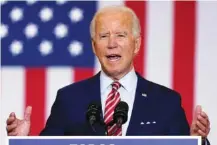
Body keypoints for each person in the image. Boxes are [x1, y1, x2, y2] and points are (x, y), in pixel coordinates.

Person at [6, 5, 210, 144]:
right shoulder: (69, 98)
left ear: (136, 44)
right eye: (104, 36)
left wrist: (195, 140)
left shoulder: (166, 101)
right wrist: (22, 141)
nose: (112, 43)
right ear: (94, 46)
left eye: (120, 35)